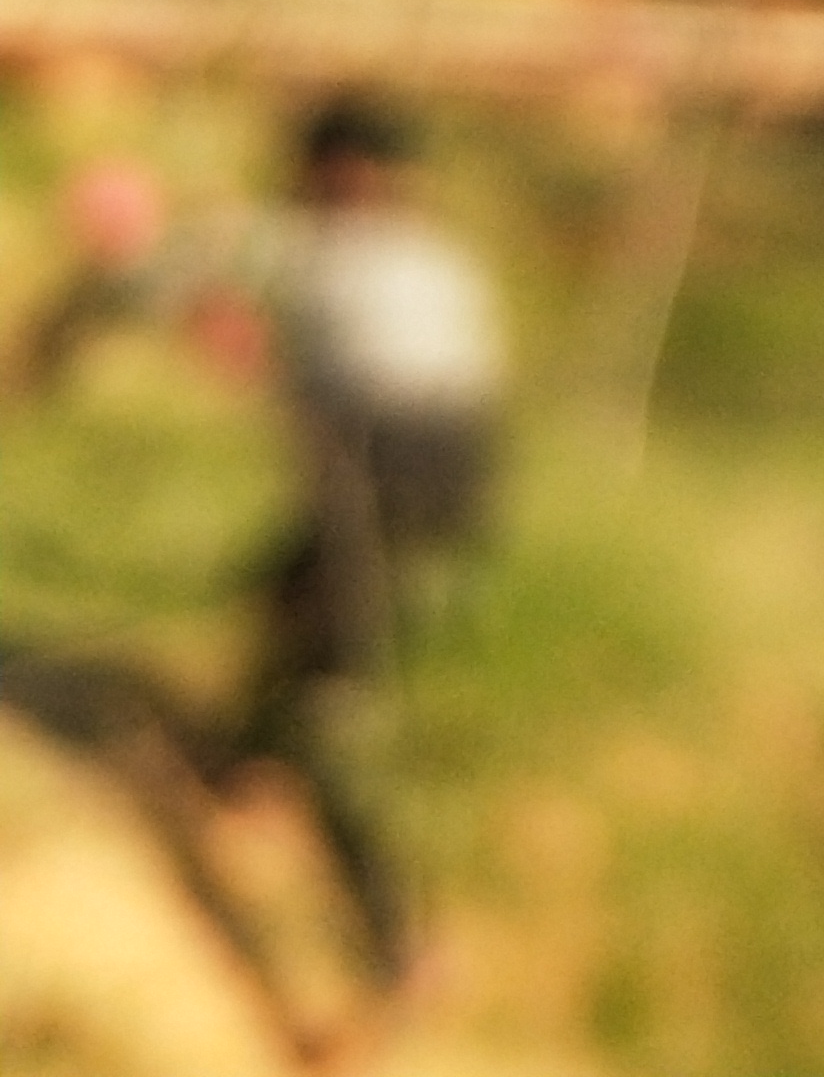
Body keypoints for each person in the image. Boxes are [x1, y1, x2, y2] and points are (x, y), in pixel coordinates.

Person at [26, 91, 508, 985]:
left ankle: (392, 939)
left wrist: (51, 341)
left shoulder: (308, 243)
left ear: (335, 171)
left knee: (335, 718)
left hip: (373, 495)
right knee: (285, 606)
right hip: (451, 504)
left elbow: (158, 275)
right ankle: (240, 764)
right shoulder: (438, 262)